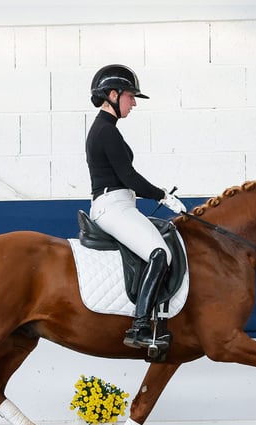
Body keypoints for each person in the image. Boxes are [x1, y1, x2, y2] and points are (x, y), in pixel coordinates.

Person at [86, 63, 185, 350]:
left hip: (119, 204)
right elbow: (128, 177)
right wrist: (162, 195)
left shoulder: (107, 129)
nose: (133, 104)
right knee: (158, 253)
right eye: (131, 97)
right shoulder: (106, 131)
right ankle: (139, 326)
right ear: (113, 95)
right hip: (113, 205)